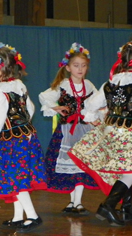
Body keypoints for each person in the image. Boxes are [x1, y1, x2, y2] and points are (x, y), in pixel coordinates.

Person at [68, 36, 132, 226]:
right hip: (131, 132)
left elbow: (92, 105)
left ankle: (128, 207)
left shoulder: (110, 83)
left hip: (111, 132)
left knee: (129, 167)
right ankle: (109, 204)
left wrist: (97, 117)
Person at [0, 41, 47, 233]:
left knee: (15, 177)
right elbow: (30, 109)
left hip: (13, 141)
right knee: (18, 176)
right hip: (27, 137)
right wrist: (22, 125)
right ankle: (17, 216)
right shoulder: (19, 88)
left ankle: (32, 215)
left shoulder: (2, 92)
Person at [39, 42, 99, 215]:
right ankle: (73, 202)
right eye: (76, 65)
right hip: (67, 131)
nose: (80, 69)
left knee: (81, 165)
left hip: (85, 130)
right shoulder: (63, 84)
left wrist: (96, 116)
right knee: (71, 166)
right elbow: (44, 96)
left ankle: (77, 202)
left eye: (83, 66)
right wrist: (55, 107)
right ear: (68, 67)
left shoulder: (89, 85)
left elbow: (98, 103)